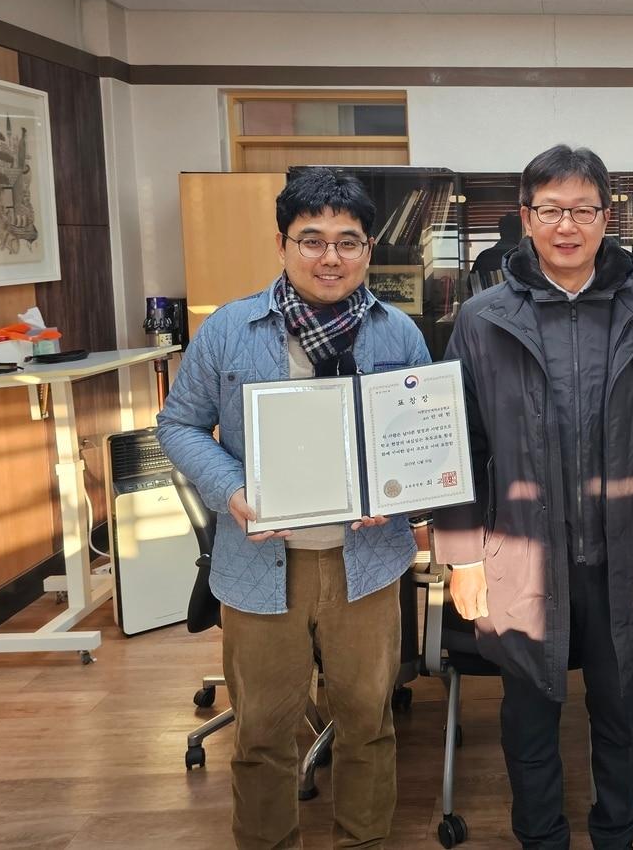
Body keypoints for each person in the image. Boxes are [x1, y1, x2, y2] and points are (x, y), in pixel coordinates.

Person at [158, 167, 432, 850]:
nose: (329, 257)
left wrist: (401, 489)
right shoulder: (230, 329)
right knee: (260, 735)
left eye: (347, 241)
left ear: (368, 249)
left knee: (368, 725)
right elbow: (178, 424)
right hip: (260, 568)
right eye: (312, 240)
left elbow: (421, 433)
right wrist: (233, 490)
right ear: (282, 244)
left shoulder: (398, 332)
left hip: (367, 564)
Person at [433, 144, 633, 850]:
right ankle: (541, 837)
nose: (567, 226)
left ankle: (617, 835)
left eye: (583, 209)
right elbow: (458, 444)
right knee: (528, 719)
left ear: (607, 217)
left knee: (622, 713)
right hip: (520, 549)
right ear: (525, 218)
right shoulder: (482, 318)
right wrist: (462, 555)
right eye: (551, 210)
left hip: (624, 551)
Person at [472, 211, 522, 276]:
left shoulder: (484, 256)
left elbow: (472, 280)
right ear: (518, 233)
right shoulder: (525, 258)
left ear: (501, 232)